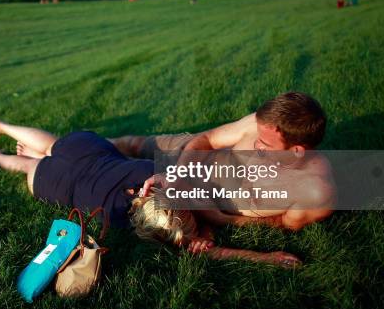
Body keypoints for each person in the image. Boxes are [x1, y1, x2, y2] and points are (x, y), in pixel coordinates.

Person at [0, 119, 302, 267]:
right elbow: (209, 248)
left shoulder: (163, 194)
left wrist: (267, 257)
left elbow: (205, 240)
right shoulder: (156, 217)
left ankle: (2, 131)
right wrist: (266, 258)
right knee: (28, 166)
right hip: (73, 178)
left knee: (49, 147)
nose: (196, 221)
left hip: (87, 161)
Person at [109, 92, 335, 231]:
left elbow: (284, 223)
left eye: (265, 144)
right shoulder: (261, 125)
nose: (257, 145)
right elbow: (207, 139)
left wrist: (220, 218)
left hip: (199, 204)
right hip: (190, 159)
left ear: (296, 151)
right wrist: (177, 176)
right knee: (133, 145)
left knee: (115, 175)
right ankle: (87, 138)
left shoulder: (314, 193)